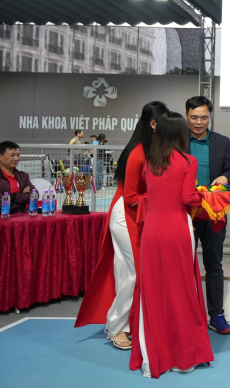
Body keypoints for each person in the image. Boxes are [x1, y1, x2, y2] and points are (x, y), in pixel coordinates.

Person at [75, 101, 169, 350]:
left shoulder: (153, 149)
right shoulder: (138, 152)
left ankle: (129, 322)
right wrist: (162, 196)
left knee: (129, 271)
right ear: (153, 124)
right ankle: (117, 326)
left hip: (139, 214)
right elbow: (130, 197)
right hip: (126, 215)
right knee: (132, 273)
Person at [129, 112, 214, 378]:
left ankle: (154, 354)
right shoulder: (189, 161)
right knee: (182, 291)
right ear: (179, 133)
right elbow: (188, 197)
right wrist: (209, 198)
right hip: (177, 230)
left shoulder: (150, 162)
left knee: (153, 291)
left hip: (152, 231)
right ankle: (184, 354)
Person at [185, 96, 230, 335]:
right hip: (184, 213)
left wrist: (226, 177)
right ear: (187, 116)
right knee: (183, 265)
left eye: (203, 117)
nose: (199, 122)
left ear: (210, 117)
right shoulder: (176, 141)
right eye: (194, 117)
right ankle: (185, 315)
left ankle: (216, 315)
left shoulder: (221, 141)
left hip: (214, 213)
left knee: (214, 264)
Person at [0, 141, 36, 214]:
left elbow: (34, 196)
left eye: (18, 155)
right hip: (1, 218)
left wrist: (13, 197)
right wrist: (22, 201)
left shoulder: (23, 176)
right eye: (12, 155)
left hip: (22, 217)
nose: (16, 159)